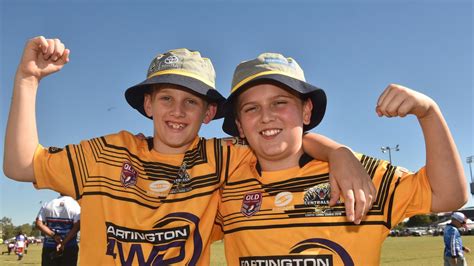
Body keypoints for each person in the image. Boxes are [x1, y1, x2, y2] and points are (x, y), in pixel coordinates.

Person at [4, 36, 375, 265]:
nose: (177, 111)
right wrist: (28, 79)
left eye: (191, 102)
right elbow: (20, 165)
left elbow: (281, 139)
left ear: (210, 112)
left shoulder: (222, 157)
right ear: (148, 104)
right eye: (166, 97)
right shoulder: (105, 154)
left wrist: (338, 152)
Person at [212, 52, 468, 265]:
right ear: (240, 125)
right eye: (251, 108)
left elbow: (449, 195)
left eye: (280, 102)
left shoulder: (358, 174)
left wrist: (429, 113)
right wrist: (336, 150)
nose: (266, 116)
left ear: (306, 110)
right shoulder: (225, 183)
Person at [36, 194, 81, 266]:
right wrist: (63, 243)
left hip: (49, 246)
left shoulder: (48, 204)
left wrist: (54, 235)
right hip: (69, 247)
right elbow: (77, 226)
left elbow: (38, 224)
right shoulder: (75, 205)